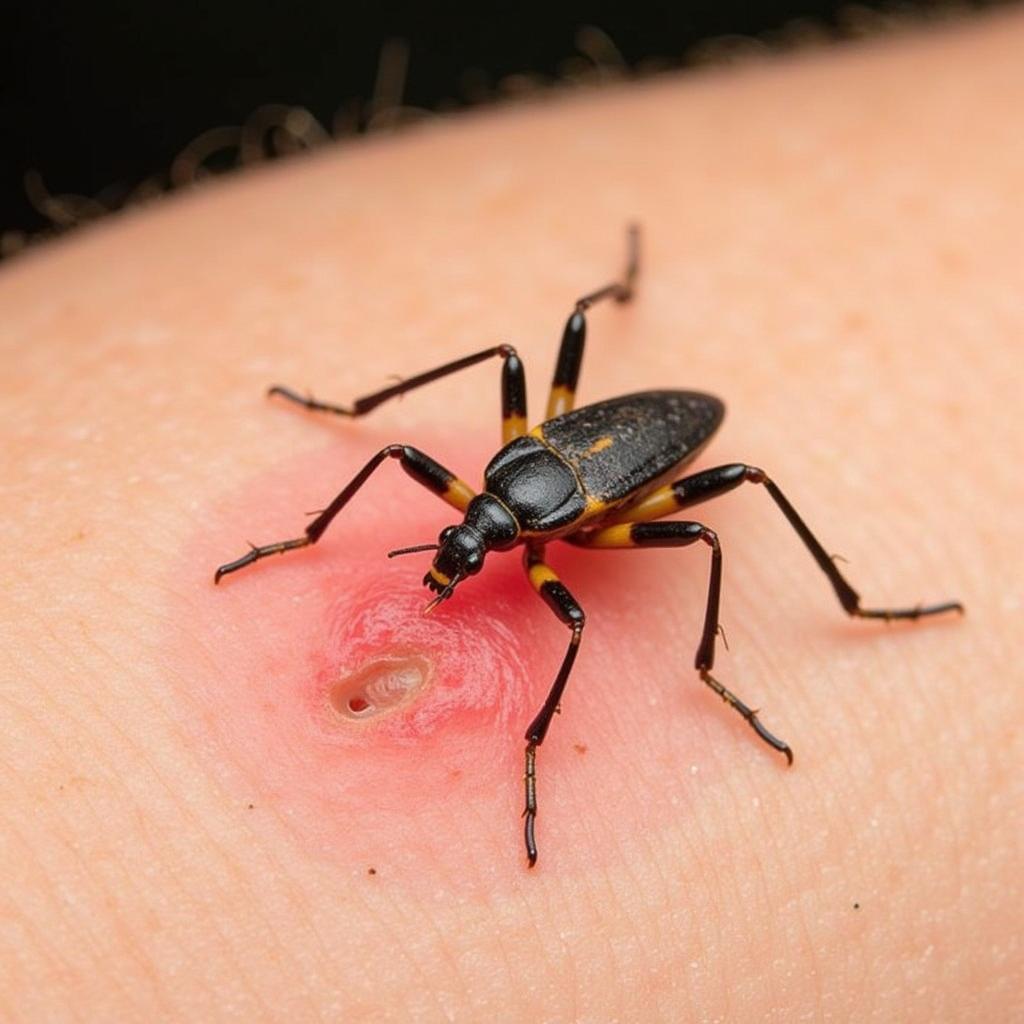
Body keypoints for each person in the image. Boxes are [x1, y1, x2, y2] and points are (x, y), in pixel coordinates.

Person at [1, 10, 1019, 1021]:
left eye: (466, 543)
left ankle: (744, 652)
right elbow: (433, 480)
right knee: (481, 388)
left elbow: (570, 607)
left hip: (623, 471)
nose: (458, 548)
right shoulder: (480, 498)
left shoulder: (555, 555)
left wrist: (531, 744)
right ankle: (336, 463)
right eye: (462, 542)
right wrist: (326, 526)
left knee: (706, 508)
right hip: (569, 454)